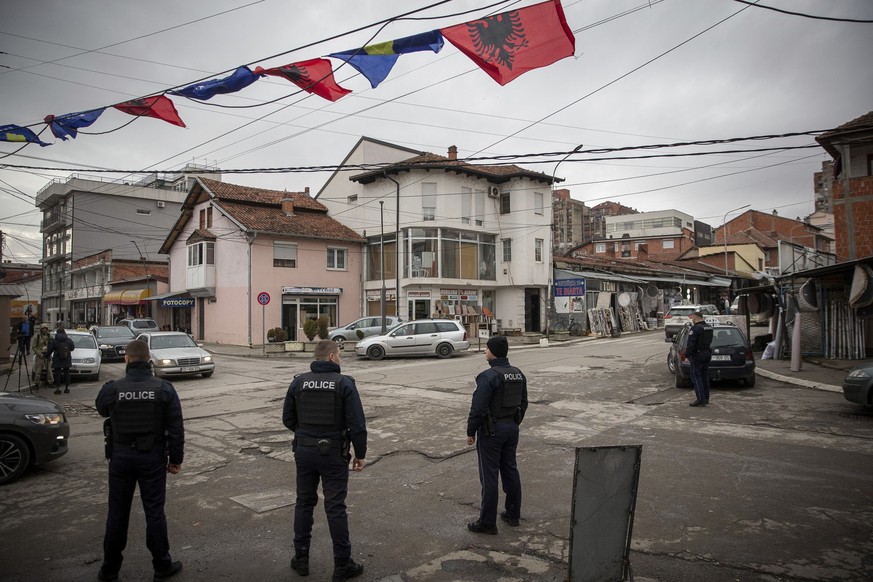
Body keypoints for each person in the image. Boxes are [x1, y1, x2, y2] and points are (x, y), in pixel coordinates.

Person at [95, 339, 185, 582]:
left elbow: (101, 408)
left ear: (126, 359)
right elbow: (176, 427)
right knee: (154, 512)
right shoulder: (163, 388)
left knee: (117, 514)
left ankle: (109, 569)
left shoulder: (113, 388)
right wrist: (176, 459)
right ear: (149, 359)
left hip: (121, 457)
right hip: (152, 457)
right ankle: (162, 565)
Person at [283, 339, 367, 581]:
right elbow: (357, 425)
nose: (340, 358)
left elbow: (288, 418)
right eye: (339, 354)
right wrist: (360, 454)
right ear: (331, 357)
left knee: (304, 502)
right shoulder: (344, 383)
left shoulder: (298, 382)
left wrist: (305, 434)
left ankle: (301, 559)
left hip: (304, 451)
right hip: (333, 453)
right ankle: (342, 564)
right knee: (335, 506)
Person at [465, 335, 528, 535]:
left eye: (487, 348)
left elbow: (478, 408)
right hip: (511, 428)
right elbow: (524, 403)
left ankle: (487, 523)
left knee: (489, 476)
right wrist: (513, 422)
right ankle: (513, 514)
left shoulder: (488, 376)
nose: (485, 350)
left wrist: (471, 431)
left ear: (493, 352)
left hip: (492, 431)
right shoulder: (518, 373)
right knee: (510, 471)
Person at [686, 311, 714, 407]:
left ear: (695, 318)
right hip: (707, 353)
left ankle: (700, 399)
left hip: (698, 355)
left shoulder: (695, 329)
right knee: (705, 376)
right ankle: (706, 397)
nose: (692, 320)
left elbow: (691, 344)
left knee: (696, 376)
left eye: (692, 318)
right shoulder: (709, 327)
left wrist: (687, 355)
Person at [47, 327, 75, 394]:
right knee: (67, 373)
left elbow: (50, 349)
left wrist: (46, 355)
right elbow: (72, 348)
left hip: (57, 358)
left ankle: (58, 388)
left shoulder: (55, 340)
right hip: (66, 358)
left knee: (57, 374)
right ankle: (67, 387)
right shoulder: (68, 340)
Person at [30, 323, 55, 388]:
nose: (44, 330)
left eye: (45, 329)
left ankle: (50, 382)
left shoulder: (49, 336)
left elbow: (53, 344)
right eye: (43, 329)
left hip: (47, 355)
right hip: (40, 355)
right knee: (38, 370)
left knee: (49, 370)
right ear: (41, 330)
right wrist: (39, 354)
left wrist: (50, 351)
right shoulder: (37, 337)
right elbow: (34, 347)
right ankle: (36, 383)